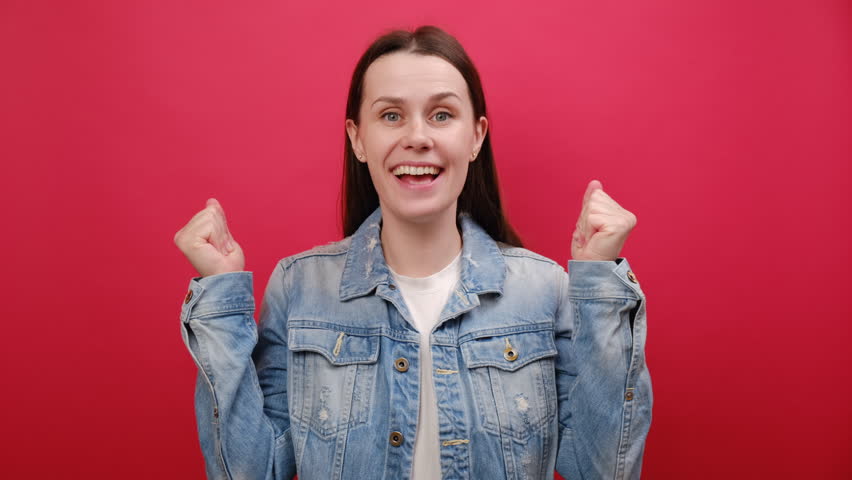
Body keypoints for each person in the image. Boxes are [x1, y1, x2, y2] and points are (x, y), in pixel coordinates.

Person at [174, 25, 651, 480]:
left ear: (476, 137)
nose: (417, 136)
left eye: (442, 114)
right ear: (358, 138)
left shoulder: (545, 291)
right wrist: (220, 297)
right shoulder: (299, 288)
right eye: (391, 115)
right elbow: (248, 471)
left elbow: (605, 469)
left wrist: (601, 284)